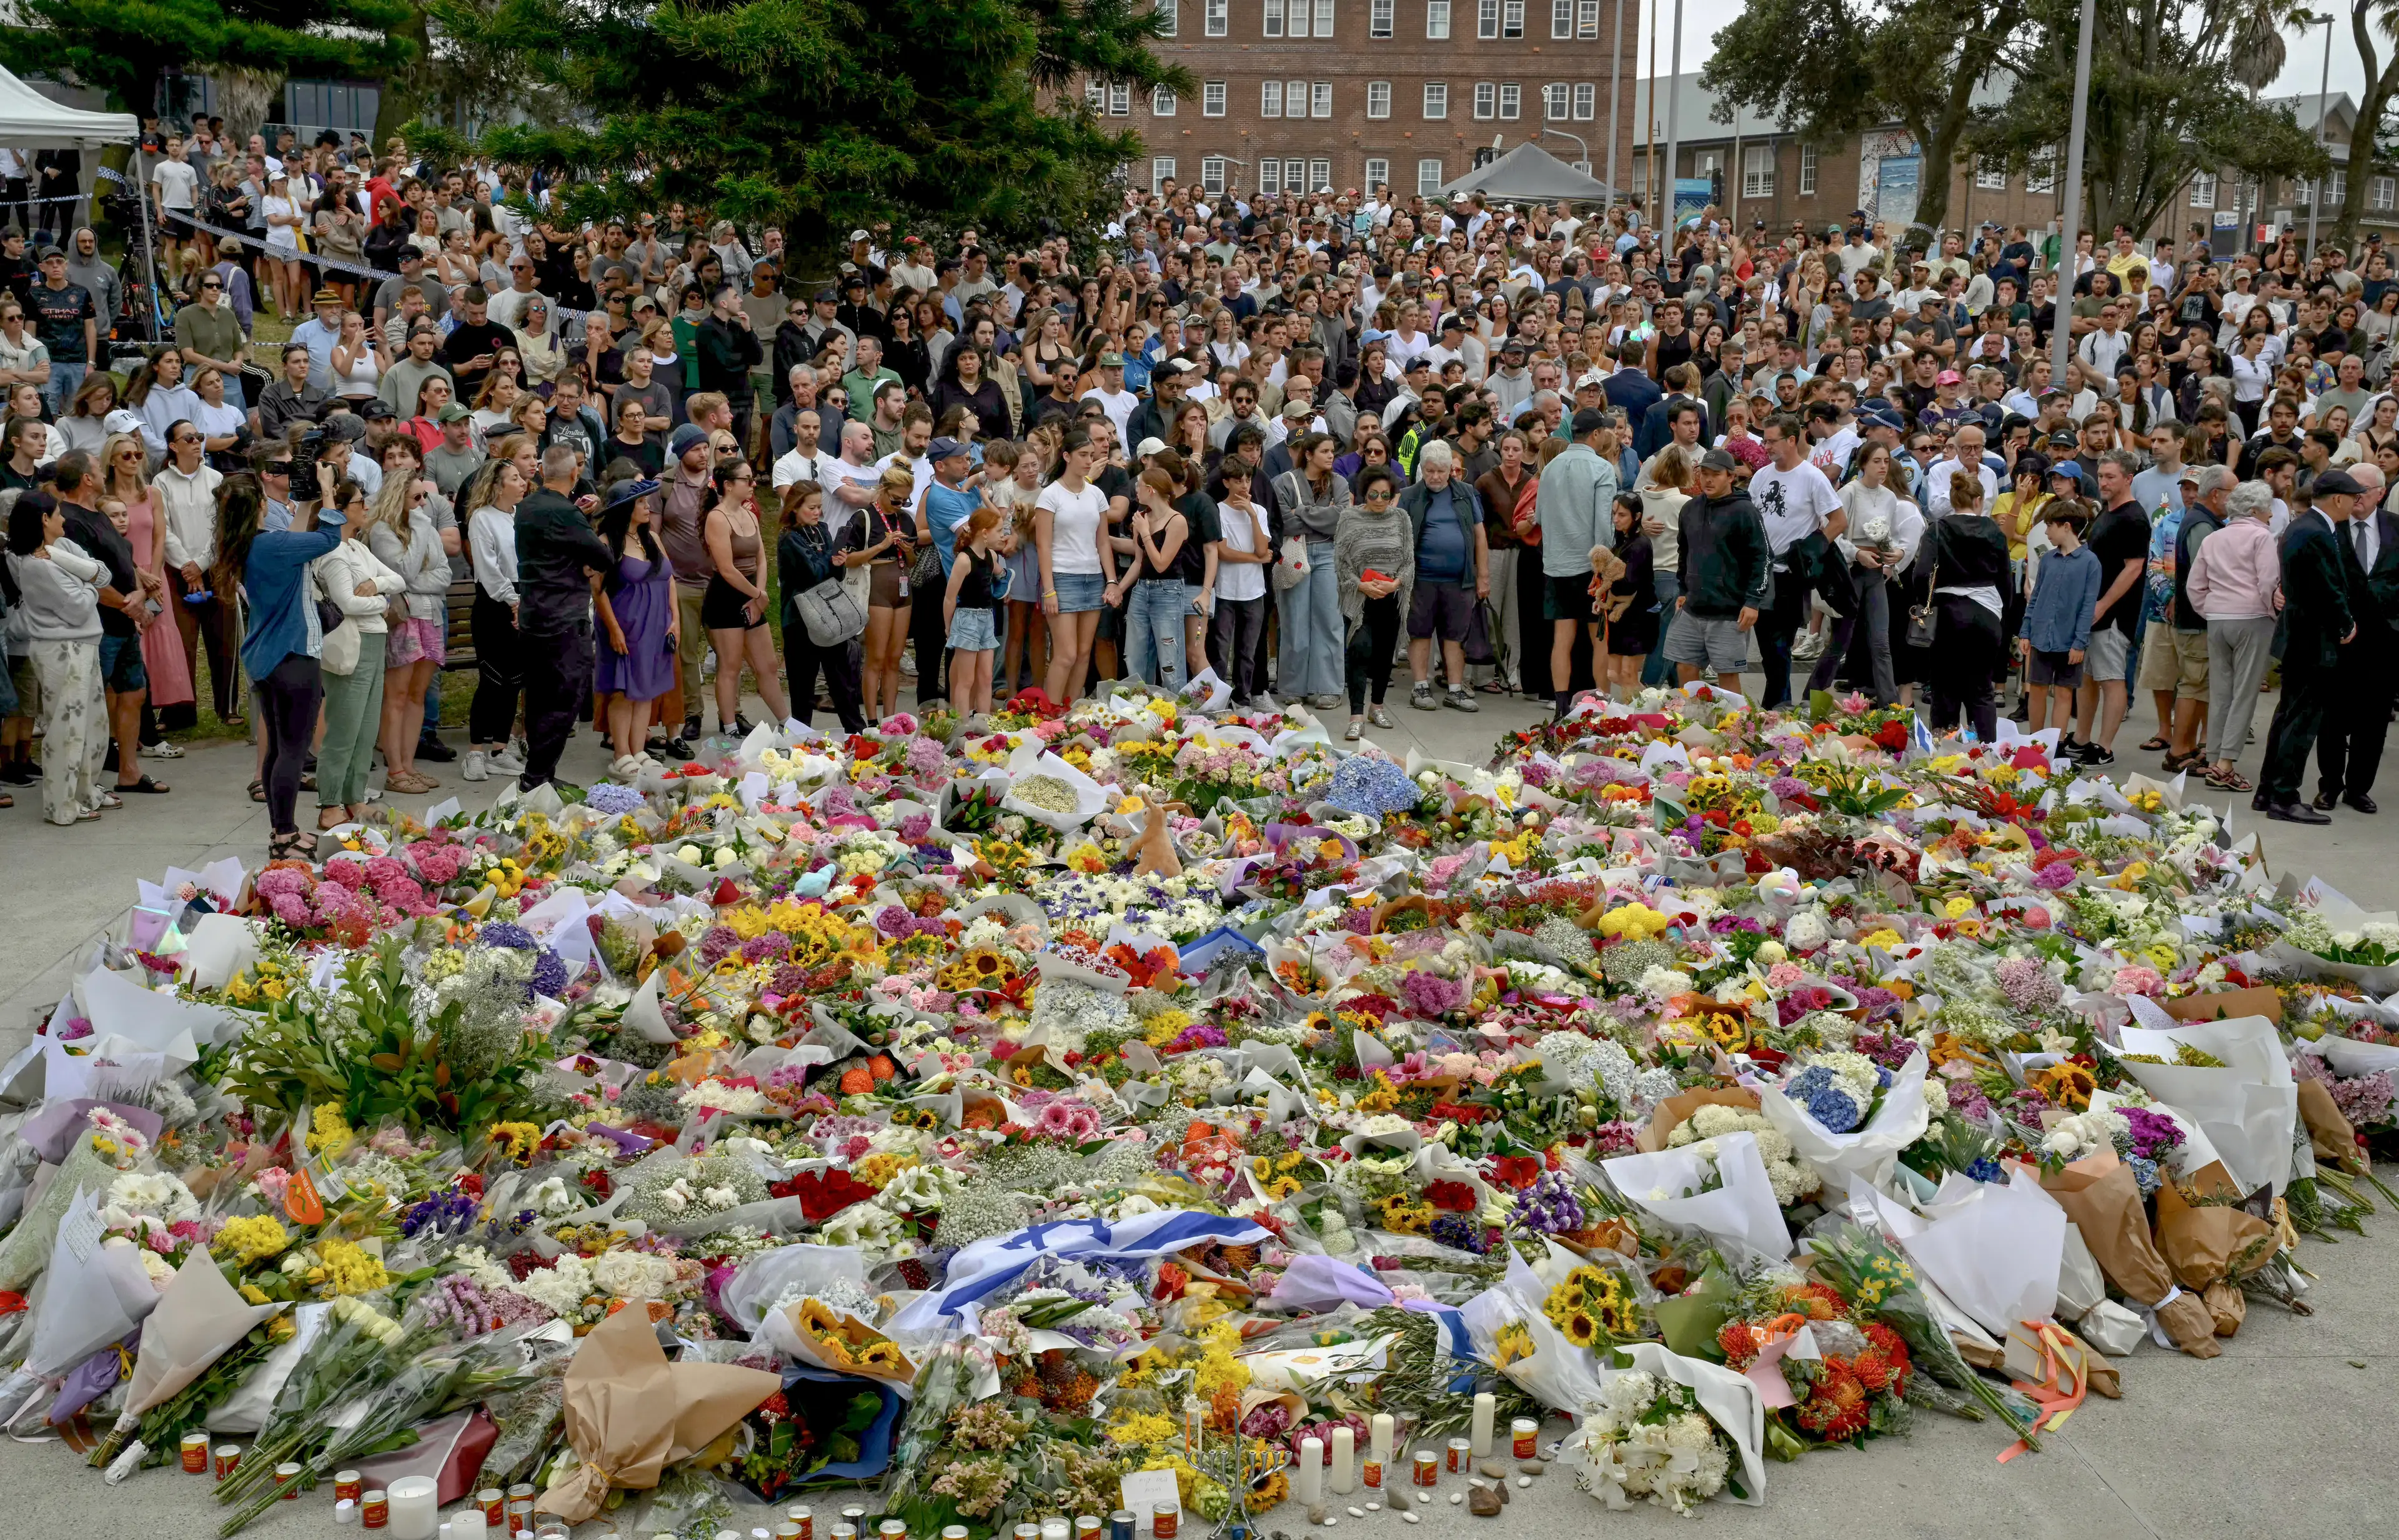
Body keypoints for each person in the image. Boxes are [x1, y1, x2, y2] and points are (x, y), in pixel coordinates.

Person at [220, 465, 341, 857]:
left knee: (278, 750)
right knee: (293, 750)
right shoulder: (272, 546)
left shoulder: (251, 544)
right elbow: (330, 538)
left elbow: (295, 536)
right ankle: (285, 837)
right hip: (293, 654)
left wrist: (305, 502)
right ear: (259, 505)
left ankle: (281, 832)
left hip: (267, 658)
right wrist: (326, 491)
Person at [514, 444, 618, 790]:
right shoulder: (566, 514)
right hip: (564, 618)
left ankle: (539, 774)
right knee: (565, 698)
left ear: (543, 471)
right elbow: (602, 556)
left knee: (540, 697)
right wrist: (582, 524)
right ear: (575, 474)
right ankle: (537, 778)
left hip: (533, 616)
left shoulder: (526, 507)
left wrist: (578, 519)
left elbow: (556, 540)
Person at [3, 490, 109, 823]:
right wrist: (89, 586)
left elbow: (102, 573)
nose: (64, 519)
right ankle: (60, 805)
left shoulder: (59, 549)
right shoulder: (34, 567)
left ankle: (85, 791)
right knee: (67, 729)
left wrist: (79, 574)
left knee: (92, 724)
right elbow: (79, 607)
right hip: (61, 650)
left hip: (84, 646)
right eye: (58, 514)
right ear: (44, 520)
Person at [310, 475, 406, 832]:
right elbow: (346, 602)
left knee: (366, 729)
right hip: (353, 644)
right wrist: (380, 602)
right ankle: (329, 802)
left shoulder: (359, 549)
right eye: (359, 504)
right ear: (341, 509)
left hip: (375, 641)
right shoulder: (333, 553)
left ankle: (354, 796)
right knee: (344, 727)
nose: (366, 508)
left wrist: (377, 587)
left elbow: (396, 580)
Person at [2312, 469, 2399, 813]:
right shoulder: (2330, 528)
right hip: (2339, 638)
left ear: (2380, 493)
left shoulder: (2395, 526)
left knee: (2375, 718)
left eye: (2363, 490)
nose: (2356, 496)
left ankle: (2359, 788)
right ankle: (2330, 786)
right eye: (2351, 490)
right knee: (2332, 716)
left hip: (2385, 640)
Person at [2186, 480, 2282, 793]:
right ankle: (2226, 764)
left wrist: (2210, 610)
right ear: (2254, 510)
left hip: (2218, 619)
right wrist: (2270, 611)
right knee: (2244, 693)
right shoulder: (2262, 537)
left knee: (2222, 693)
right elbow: (2268, 580)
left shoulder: (2214, 538)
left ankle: (2215, 758)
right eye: (2267, 508)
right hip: (2252, 617)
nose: (2270, 514)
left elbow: (2194, 586)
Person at [1809, 440, 1921, 705]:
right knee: (1841, 641)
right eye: (1876, 462)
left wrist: (1898, 555)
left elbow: (1888, 537)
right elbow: (1832, 533)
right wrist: (1857, 553)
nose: (1883, 467)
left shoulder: (1890, 497)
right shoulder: (1849, 492)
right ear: (1863, 465)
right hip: (1851, 571)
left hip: (1876, 571)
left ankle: (1891, 706)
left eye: (1886, 462)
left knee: (1881, 643)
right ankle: (1811, 698)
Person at [1748, 413, 1846, 708]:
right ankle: (1781, 705)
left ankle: (1776, 707)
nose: (1765, 446)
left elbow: (1838, 520)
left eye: (1771, 440)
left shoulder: (1812, 477)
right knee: (1767, 648)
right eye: (1764, 440)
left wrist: (1814, 547)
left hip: (1790, 575)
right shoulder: (1762, 475)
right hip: (1762, 572)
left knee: (1780, 647)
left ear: (1791, 440)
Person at [362, 468, 449, 795]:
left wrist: (418, 584)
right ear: (399, 498)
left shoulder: (426, 528)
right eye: (416, 497)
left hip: (430, 617)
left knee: (418, 695)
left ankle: (409, 766)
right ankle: (394, 769)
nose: (423, 503)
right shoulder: (384, 530)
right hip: (404, 620)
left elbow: (444, 574)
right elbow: (404, 573)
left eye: (425, 496)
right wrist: (419, 530)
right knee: (396, 696)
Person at [1917, 471, 2015, 741]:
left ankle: (1943, 750)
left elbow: (1922, 573)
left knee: (1944, 688)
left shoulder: (1937, 529)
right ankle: (1986, 751)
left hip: (1947, 612)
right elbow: (2005, 579)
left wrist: (1924, 604)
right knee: (1981, 690)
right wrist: (2003, 614)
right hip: (1987, 612)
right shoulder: (1994, 531)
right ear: (1979, 500)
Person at [2069, 450, 2151, 765]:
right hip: (2094, 611)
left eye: (2110, 477)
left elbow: (2133, 568)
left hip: (2115, 614)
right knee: (2088, 678)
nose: (2103, 482)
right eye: (2101, 476)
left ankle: (2104, 748)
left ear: (2128, 478)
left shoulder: (2133, 518)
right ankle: (2081, 738)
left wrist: (2103, 605)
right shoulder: (2107, 511)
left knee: (2111, 679)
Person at [1665, 447, 1769, 693]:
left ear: (1731, 477)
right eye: (1704, 474)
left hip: (1729, 612)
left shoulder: (1746, 511)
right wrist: (1683, 589)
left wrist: (1753, 601)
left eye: (1716, 474)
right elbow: (1684, 552)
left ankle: (1732, 729)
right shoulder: (1689, 509)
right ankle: (1694, 724)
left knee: (1728, 679)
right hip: (1692, 608)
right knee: (1685, 669)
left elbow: (1763, 558)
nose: (1708, 480)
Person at [594, 475, 678, 777]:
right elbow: (598, 591)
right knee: (624, 690)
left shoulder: (651, 538)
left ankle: (639, 750)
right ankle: (621, 753)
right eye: (641, 502)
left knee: (646, 689)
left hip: (657, 623)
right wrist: (614, 629)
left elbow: (669, 579)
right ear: (626, 508)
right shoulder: (606, 544)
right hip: (626, 623)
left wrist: (675, 620)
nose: (648, 506)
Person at [700, 455, 790, 733]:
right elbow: (726, 569)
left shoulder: (749, 513)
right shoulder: (716, 518)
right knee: (730, 666)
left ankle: (788, 722)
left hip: (752, 594)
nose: (753, 484)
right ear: (728, 485)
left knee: (768, 665)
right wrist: (757, 595)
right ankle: (729, 728)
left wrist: (759, 594)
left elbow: (762, 558)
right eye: (747, 479)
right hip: (726, 598)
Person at [1396, 439, 1488, 712]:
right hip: (1420, 579)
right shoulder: (1410, 495)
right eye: (1429, 470)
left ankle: (1456, 690)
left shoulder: (1466, 493)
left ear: (1452, 470)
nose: (1435, 477)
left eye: (1441, 471)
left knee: (1455, 635)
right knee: (1420, 633)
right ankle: (1420, 687)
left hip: (1459, 579)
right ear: (1421, 469)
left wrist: (1483, 575)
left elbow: (1480, 535)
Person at [1537, 407, 1617, 713]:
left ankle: (1560, 704)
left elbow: (1541, 516)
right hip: (1590, 567)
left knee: (1562, 637)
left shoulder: (1551, 467)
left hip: (1556, 563)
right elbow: (1603, 527)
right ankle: (1602, 704)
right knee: (1599, 638)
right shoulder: (1601, 469)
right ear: (1596, 434)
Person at [154, 419, 234, 727]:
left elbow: (221, 528)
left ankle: (227, 707)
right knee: (180, 643)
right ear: (173, 446)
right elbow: (164, 529)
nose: (196, 441)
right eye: (188, 438)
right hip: (177, 573)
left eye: (199, 436)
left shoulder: (216, 478)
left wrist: (201, 565)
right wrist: (188, 567)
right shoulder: (160, 482)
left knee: (224, 639)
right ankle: (179, 711)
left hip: (215, 568)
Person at [777, 480, 867, 733]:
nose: (817, 512)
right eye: (811, 508)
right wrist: (832, 557)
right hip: (799, 620)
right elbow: (813, 573)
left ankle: (857, 734)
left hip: (829, 615)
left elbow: (833, 577)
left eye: (819, 507)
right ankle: (800, 743)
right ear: (795, 508)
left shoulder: (823, 530)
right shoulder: (789, 539)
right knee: (802, 688)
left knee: (842, 682)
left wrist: (838, 562)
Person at [1269, 425, 1349, 710]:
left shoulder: (1339, 482)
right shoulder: (1283, 482)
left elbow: (1340, 518)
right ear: (1309, 455)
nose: (1331, 456)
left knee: (1330, 621)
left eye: (1332, 451)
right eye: (1325, 451)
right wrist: (1319, 517)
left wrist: (1302, 511)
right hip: (1294, 552)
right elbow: (1283, 522)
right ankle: (1293, 686)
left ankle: (1329, 688)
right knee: (1294, 621)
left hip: (1328, 553)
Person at [1332, 464, 1413, 741]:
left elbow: (1409, 562)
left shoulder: (1401, 518)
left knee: (1384, 656)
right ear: (1363, 494)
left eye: (1385, 495)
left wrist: (1395, 584)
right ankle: (1356, 716)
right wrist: (1360, 585)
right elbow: (1341, 562)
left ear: (1393, 496)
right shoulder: (1349, 518)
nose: (1379, 501)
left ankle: (1376, 707)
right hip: (1359, 599)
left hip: (1391, 597)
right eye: (1373, 495)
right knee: (1359, 652)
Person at [461, 457, 529, 782]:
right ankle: (475, 752)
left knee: (515, 678)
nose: (522, 482)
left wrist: (523, 600)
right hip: (494, 602)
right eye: (514, 478)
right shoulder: (481, 519)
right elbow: (488, 568)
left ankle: (500, 751)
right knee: (492, 679)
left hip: (521, 599)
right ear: (498, 486)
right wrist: (511, 600)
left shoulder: (522, 516)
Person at [1036, 423, 1114, 704]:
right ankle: (1048, 715)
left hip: (1093, 578)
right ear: (1067, 456)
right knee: (1066, 654)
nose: (1089, 461)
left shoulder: (1096, 495)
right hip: (1062, 577)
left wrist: (1112, 580)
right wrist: (1049, 589)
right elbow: (1043, 545)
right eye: (1083, 454)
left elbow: (1103, 542)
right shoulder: (1051, 494)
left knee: (1083, 653)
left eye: (1091, 455)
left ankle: (1068, 714)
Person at [2019, 501, 2100, 737]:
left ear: (2066, 526)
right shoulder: (2047, 559)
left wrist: (2079, 643)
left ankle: (2054, 744)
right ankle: (2035, 741)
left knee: (2064, 693)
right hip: (2041, 636)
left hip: (2069, 641)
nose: (2046, 533)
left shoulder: (2090, 563)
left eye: (2050, 527)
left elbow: (2088, 607)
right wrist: (2026, 631)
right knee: (2037, 690)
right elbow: (2035, 598)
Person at [1113, 467, 1189, 692]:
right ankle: (1139, 706)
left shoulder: (1177, 521)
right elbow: (1139, 562)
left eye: (1138, 486)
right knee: (1134, 655)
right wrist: (1120, 588)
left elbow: (1161, 563)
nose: (1135, 490)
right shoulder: (1142, 518)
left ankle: (1177, 711)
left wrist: (1145, 532)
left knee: (1169, 661)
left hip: (1168, 591)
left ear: (1150, 489)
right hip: (1141, 589)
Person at [1209, 455, 1273, 707]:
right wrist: (1256, 559)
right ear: (1226, 482)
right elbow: (1223, 552)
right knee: (1221, 650)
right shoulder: (1218, 510)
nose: (1245, 485)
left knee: (1248, 651)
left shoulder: (1259, 511)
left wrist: (1253, 517)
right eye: (1238, 481)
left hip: (1254, 591)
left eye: (1247, 480)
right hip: (1226, 590)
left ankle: (1243, 697)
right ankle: (1218, 699)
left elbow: (1262, 548)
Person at [857, 465, 917, 718]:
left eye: (905, 501)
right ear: (882, 490)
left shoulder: (905, 519)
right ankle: (872, 719)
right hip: (878, 589)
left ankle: (891, 720)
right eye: (896, 500)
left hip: (903, 590)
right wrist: (882, 545)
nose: (900, 505)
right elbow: (849, 559)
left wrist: (907, 549)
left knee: (894, 659)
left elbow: (913, 561)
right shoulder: (865, 517)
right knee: (877, 657)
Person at [941, 502, 1011, 713]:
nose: (1002, 535)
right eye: (998, 531)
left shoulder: (991, 555)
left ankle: (983, 723)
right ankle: (962, 724)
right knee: (966, 679)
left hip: (987, 618)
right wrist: (948, 626)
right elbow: (950, 598)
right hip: (967, 618)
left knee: (985, 677)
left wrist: (1004, 584)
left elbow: (1002, 574)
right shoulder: (964, 559)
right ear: (984, 533)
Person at [1601, 492, 1657, 700]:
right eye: (1614, 513)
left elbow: (1628, 583)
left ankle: (1641, 711)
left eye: (1622, 515)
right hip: (1621, 615)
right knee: (1613, 673)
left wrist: (1605, 579)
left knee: (1627, 674)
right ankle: (1650, 703)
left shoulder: (1640, 544)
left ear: (1637, 516)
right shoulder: (1622, 540)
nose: (1616, 519)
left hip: (1639, 616)